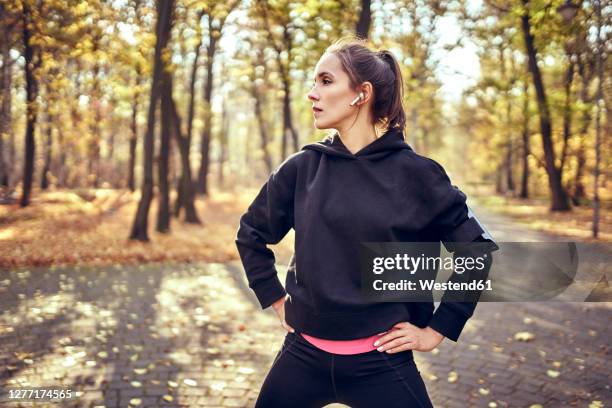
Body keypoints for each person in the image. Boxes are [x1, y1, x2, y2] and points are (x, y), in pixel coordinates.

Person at [235, 38, 497, 408]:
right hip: (302, 356)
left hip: (381, 364)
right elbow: (250, 234)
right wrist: (276, 299)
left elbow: (477, 252)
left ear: (362, 94)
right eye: (314, 82)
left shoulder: (419, 176)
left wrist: (438, 329)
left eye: (325, 81)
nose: (312, 93)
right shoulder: (302, 168)